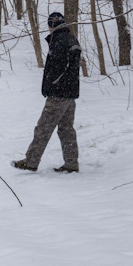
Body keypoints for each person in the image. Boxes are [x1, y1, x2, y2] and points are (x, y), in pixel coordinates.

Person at [13, 12, 81, 173]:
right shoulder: (70, 39)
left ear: (52, 25)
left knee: (43, 128)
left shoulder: (60, 42)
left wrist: (52, 85)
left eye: (49, 25)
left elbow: (58, 68)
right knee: (66, 129)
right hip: (70, 93)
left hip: (59, 94)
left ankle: (31, 161)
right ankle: (71, 164)